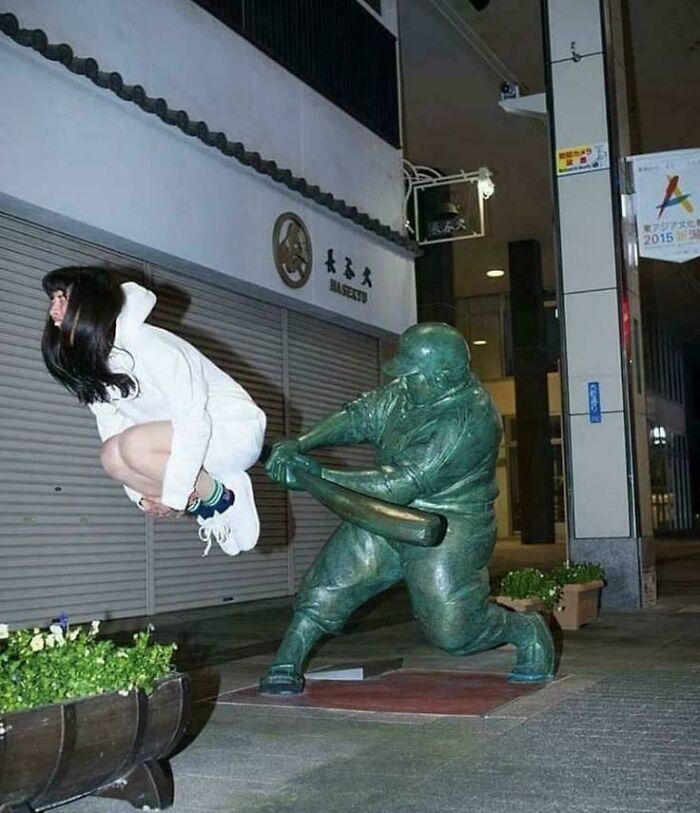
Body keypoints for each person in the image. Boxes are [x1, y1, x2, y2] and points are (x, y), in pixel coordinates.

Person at [260, 322, 554, 694]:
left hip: (448, 524)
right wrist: (302, 444)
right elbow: (361, 416)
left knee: (454, 632)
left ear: (443, 377)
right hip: (385, 513)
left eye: (411, 375)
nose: (401, 381)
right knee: (330, 582)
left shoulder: (468, 420)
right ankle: (287, 660)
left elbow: (399, 485)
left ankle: (526, 629)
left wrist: (314, 478)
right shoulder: (408, 391)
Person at [41, 266, 266, 556]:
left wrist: (174, 496)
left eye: (63, 298)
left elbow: (192, 422)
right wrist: (145, 497)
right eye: (53, 300)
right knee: (111, 456)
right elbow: (112, 431)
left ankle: (223, 496)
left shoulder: (148, 343)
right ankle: (205, 504)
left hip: (232, 432)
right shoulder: (98, 365)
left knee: (133, 446)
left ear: (92, 303)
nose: (54, 311)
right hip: (181, 444)